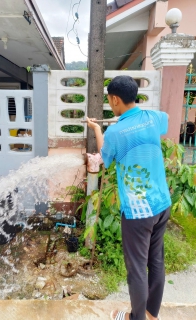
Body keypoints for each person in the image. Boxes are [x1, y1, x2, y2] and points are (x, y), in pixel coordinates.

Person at [86, 75, 171, 320]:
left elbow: (106, 157)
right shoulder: (155, 118)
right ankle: (150, 314)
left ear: (114, 99)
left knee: (136, 269)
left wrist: (97, 129)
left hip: (138, 212)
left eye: (109, 100)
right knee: (155, 261)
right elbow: (165, 121)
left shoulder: (115, 132)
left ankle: (137, 318)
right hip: (162, 204)